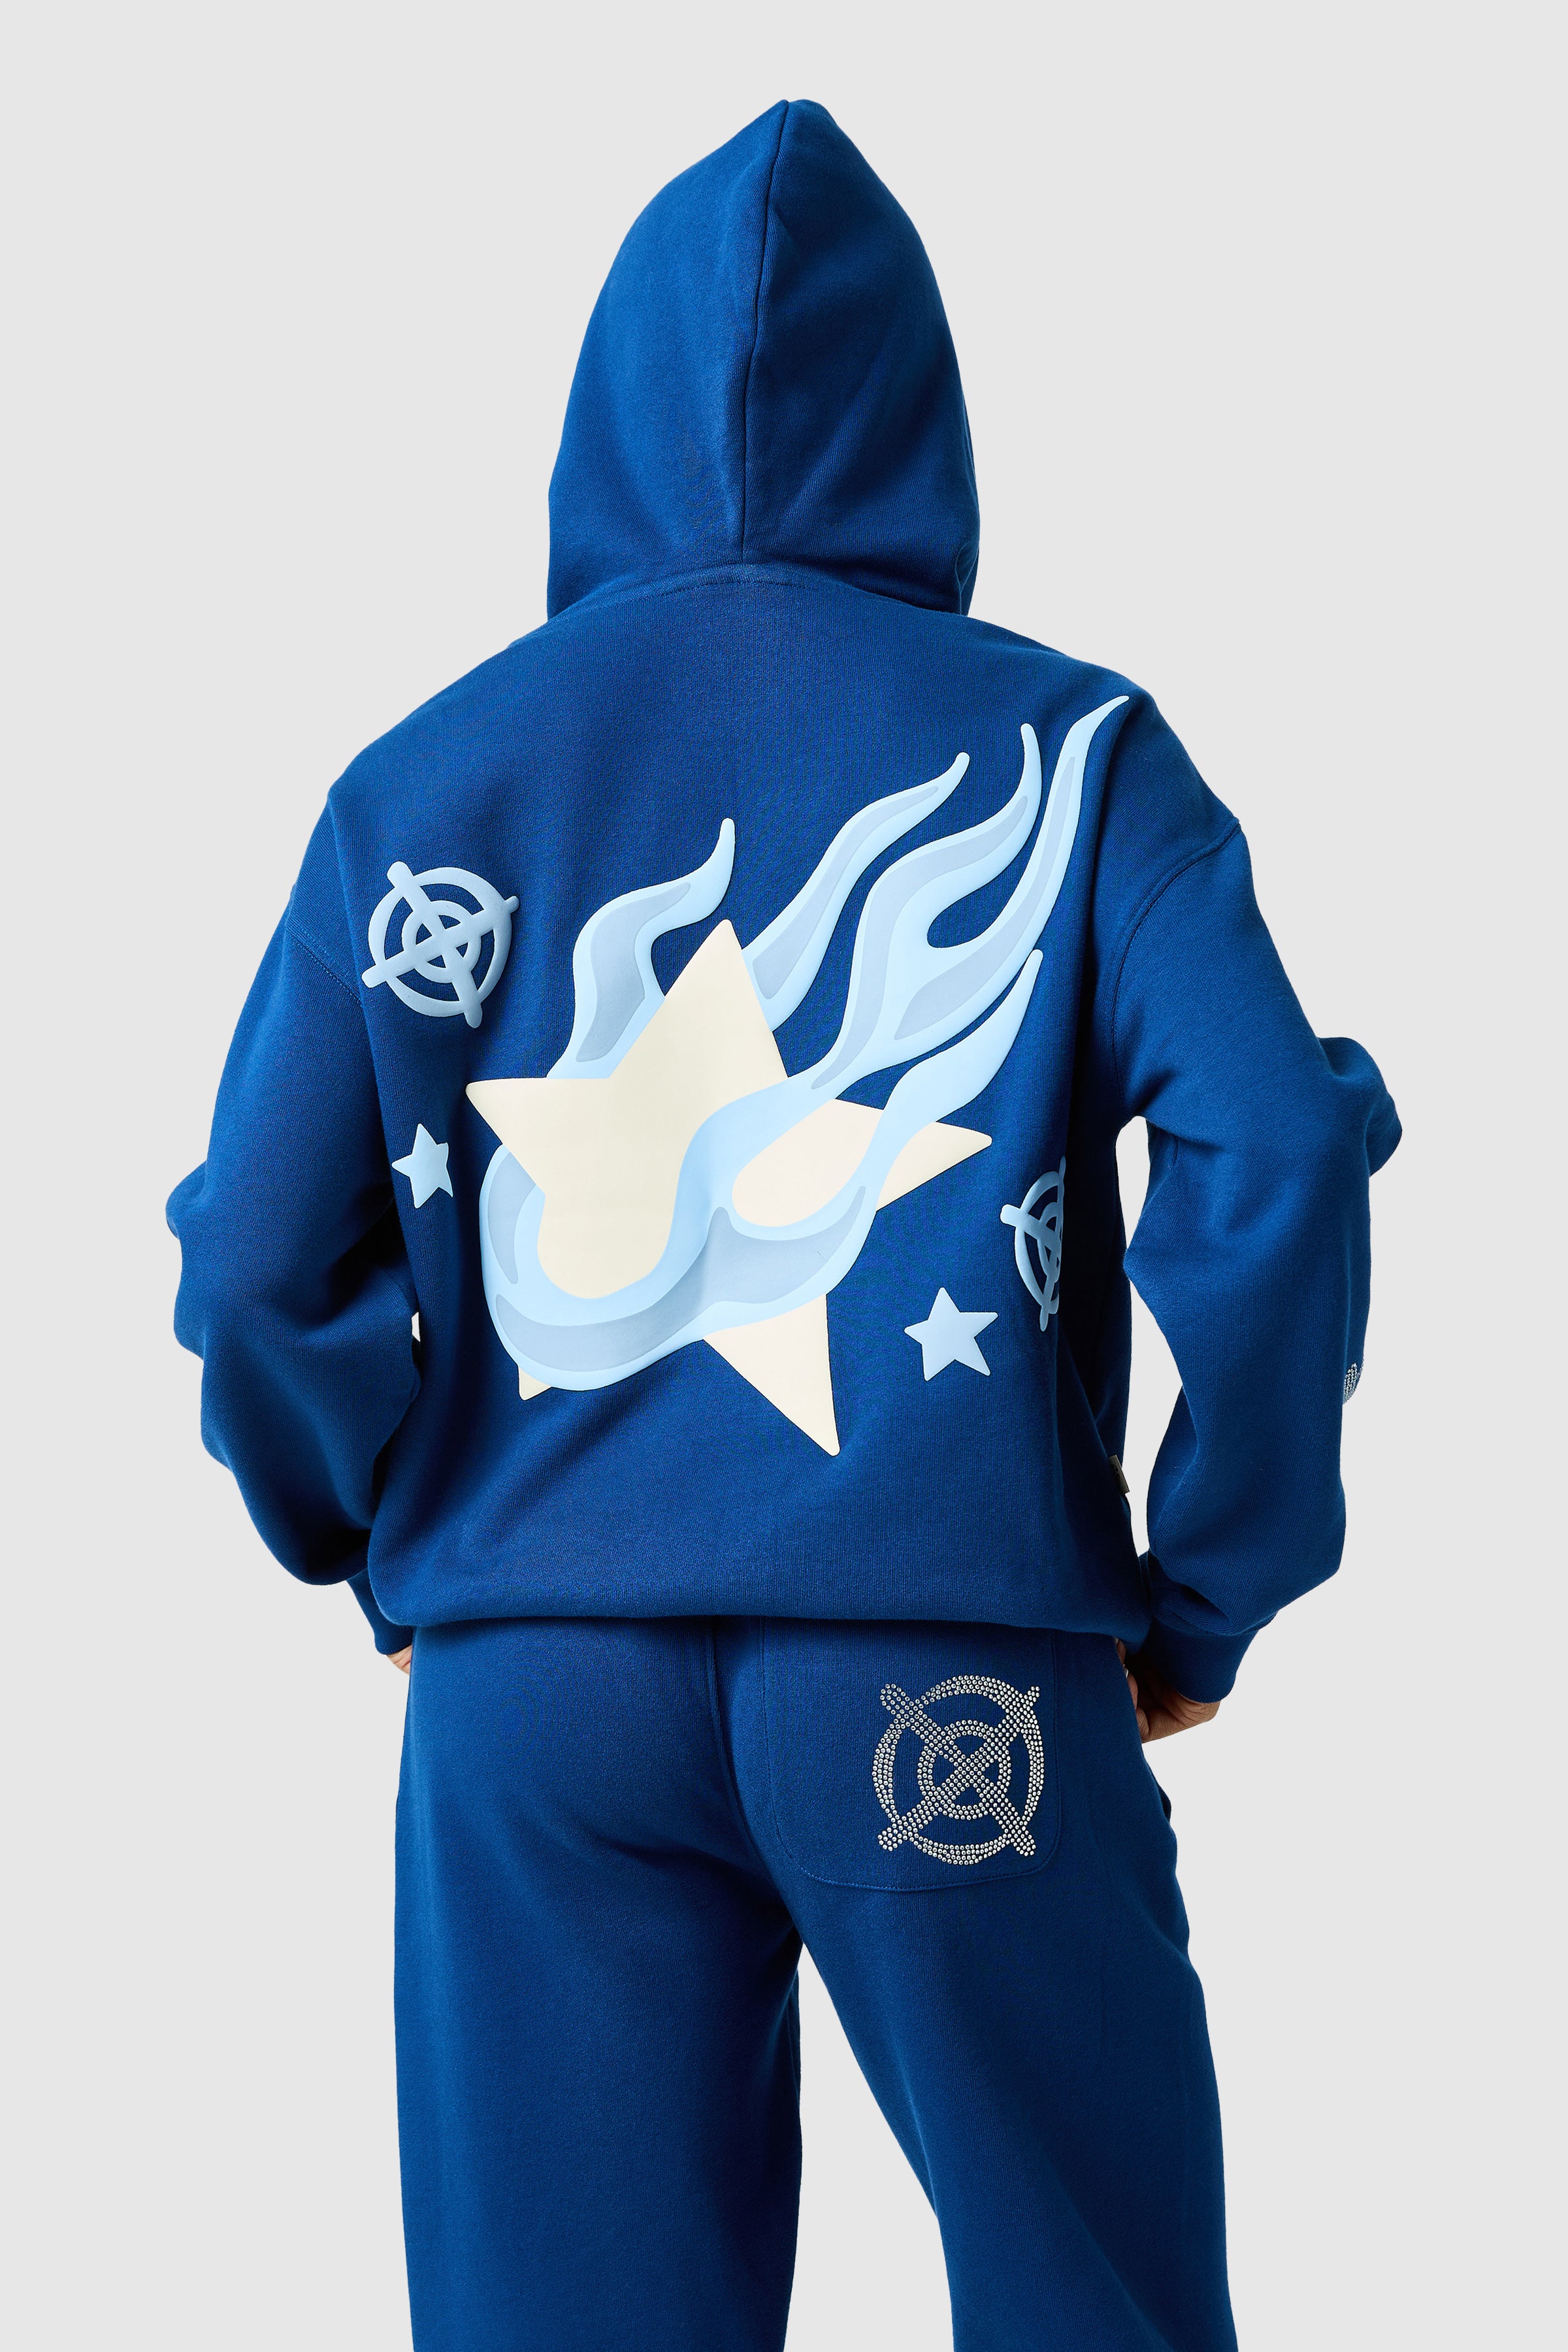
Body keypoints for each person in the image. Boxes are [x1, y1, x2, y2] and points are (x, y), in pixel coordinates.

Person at [168, 99, 1399, 2352]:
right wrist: (1205, 1596)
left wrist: (380, 1536)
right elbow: (1279, 1160)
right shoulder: (1086, 756)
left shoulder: (420, 781)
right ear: (927, 425)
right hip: (959, 1669)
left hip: (534, 1697)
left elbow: (257, 1252)